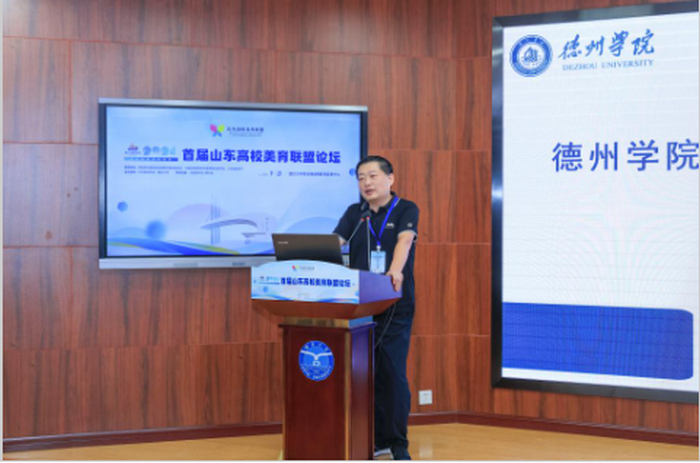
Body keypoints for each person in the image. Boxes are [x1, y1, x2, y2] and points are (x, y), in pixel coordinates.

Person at [334, 155, 419, 460]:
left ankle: (396, 442)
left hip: (394, 303)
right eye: (360, 178)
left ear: (390, 178)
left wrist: (394, 271)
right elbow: (334, 244)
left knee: (392, 373)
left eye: (372, 176)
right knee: (363, 374)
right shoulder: (355, 214)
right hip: (359, 307)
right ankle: (371, 438)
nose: (366, 183)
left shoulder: (406, 208)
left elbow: (404, 242)